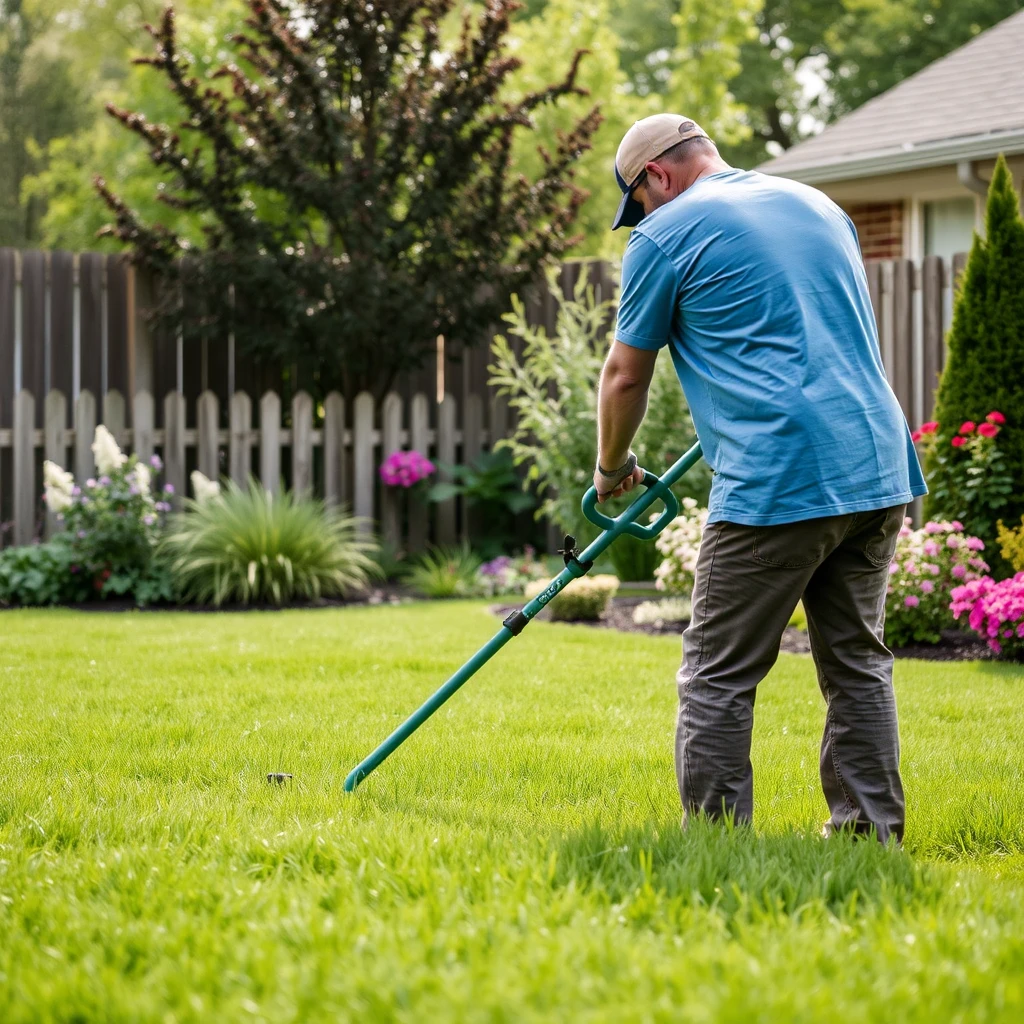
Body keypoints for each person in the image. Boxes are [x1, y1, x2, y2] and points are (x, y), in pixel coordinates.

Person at [593, 113, 927, 844]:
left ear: (656, 175)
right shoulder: (817, 205)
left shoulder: (664, 233)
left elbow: (624, 375)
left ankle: (715, 844)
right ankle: (871, 835)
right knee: (857, 663)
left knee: (718, 672)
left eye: (640, 200)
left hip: (779, 476)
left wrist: (612, 468)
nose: (643, 215)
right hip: (875, 462)